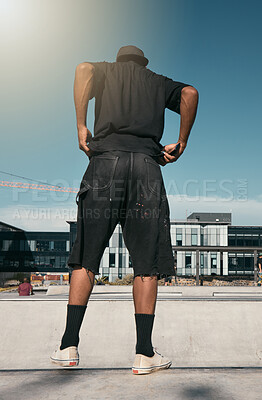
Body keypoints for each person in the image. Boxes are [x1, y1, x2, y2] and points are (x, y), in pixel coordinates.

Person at [50, 45, 199, 373]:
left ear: (119, 61)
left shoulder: (105, 70)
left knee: (86, 255)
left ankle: (68, 346)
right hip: (146, 167)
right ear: (143, 63)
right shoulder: (157, 82)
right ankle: (144, 353)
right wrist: (182, 141)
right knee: (146, 263)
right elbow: (189, 92)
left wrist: (80, 125)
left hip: (105, 164)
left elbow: (83, 69)